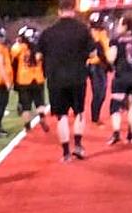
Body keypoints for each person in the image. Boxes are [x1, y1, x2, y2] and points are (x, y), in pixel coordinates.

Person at [37, 0, 100, 161]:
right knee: (79, 113)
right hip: (78, 77)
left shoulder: (48, 32)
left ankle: (66, 153)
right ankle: (78, 146)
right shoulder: (83, 30)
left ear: (59, 11)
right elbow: (93, 54)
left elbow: (38, 56)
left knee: (62, 116)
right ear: (73, 10)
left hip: (56, 80)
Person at [107, 18, 132, 145]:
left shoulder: (116, 41)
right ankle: (131, 134)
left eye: (119, 24)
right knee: (131, 106)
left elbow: (111, 57)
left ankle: (116, 133)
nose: (117, 27)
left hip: (121, 76)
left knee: (115, 106)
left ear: (125, 26)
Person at [11, 26, 50, 134]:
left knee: (26, 106)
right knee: (40, 102)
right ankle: (42, 118)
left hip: (23, 79)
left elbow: (13, 64)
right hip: (38, 78)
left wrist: (13, 81)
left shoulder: (17, 48)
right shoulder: (40, 49)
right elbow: (45, 63)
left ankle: (27, 126)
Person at [86, 17, 112, 126]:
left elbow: (105, 50)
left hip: (100, 65)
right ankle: (95, 117)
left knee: (101, 93)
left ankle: (95, 116)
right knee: (98, 93)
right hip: (95, 65)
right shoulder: (93, 34)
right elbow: (100, 50)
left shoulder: (101, 33)